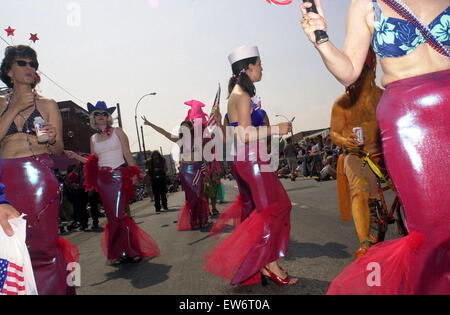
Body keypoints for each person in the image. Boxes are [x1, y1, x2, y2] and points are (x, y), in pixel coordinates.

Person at [300, 0, 449, 294]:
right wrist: (321, 38)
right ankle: (367, 238)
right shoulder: (367, 4)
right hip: (407, 123)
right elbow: (347, 72)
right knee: (430, 232)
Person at [204, 45, 298, 286]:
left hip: (255, 160)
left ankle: (266, 262)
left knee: (280, 206)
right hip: (251, 160)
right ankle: (269, 265)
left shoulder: (238, 95)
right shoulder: (241, 96)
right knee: (269, 211)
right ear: (248, 68)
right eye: (259, 64)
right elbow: (244, 135)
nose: (262, 68)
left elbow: (235, 135)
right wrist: (278, 129)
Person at [0, 45, 78, 295]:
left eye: (33, 64)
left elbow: (57, 150)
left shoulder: (47, 104)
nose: (29, 68)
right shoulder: (0, 103)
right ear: (9, 70)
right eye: (22, 63)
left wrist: (53, 139)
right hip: (5, 180)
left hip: (39, 177)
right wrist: (14, 109)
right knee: (13, 246)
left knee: (43, 248)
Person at [65, 101, 159, 265]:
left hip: (118, 176)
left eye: (103, 113)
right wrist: (75, 155)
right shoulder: (93, 138)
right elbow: (92, 162)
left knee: (119, 215)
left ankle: (130, 250)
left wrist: (133, 173)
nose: (100, 116)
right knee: (113, 217)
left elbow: (127, 153)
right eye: (96, 114)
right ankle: (119, 252)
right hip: (103, 180)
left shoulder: (118, 131)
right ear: (93, 118)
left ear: (107, 116)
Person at [329, 47, 383, 259]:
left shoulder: (383, 96)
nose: (357, 80)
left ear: (372, 70)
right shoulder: (341, 103)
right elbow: (334, 132)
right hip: (356, 156)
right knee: (359, 188)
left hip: (382, 154)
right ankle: (365, 242)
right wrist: (345, 139)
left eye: (362, 72)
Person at [142, 115, 210, 230]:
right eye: (182, 127)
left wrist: (205, 172)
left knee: (198, 195)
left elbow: (201, 157)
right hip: (184, 170)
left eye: (186, 127)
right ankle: (195, 221)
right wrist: (150, 124)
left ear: (191, 128)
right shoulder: (180, 139)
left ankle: (202, 219)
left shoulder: (197, 139)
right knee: (191, 197)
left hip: (196, 170)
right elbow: (164, 132)